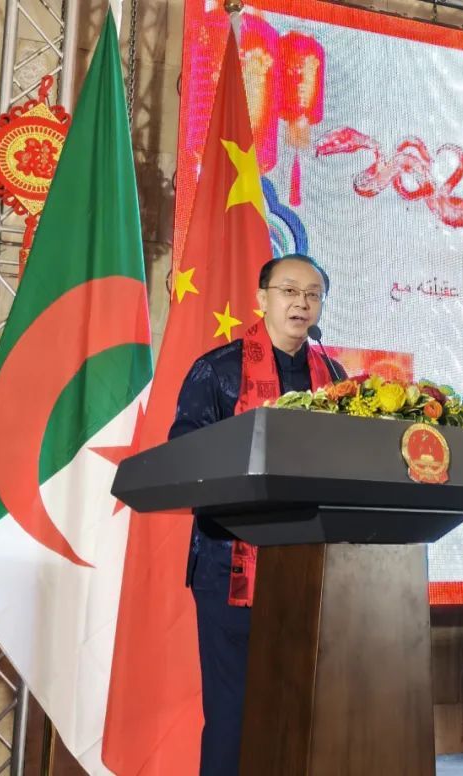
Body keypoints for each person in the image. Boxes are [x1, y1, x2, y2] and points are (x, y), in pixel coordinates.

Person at [169, 253, 345, 775]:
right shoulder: (218, 369)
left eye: (312, 294)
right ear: (261, 298)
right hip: (230, 565)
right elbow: (185, 457)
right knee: (234, 714)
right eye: (289, 291)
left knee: (295, 712)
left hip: (308, 567)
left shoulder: (333, 376)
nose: (301, 303)